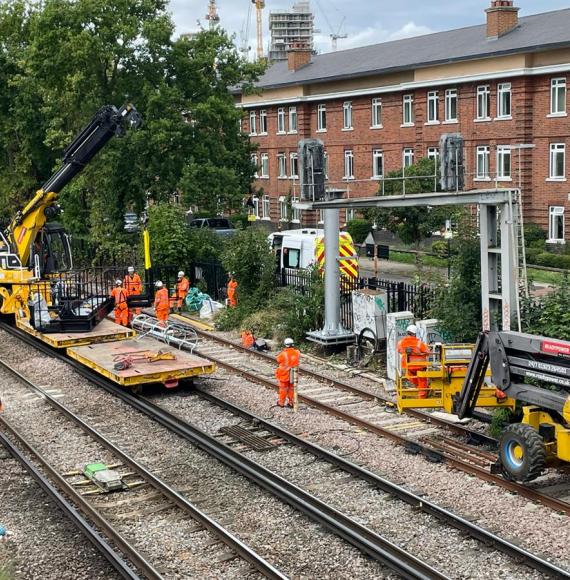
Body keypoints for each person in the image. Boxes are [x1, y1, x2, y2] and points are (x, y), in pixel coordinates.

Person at [397, 324, 431, 398]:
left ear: (407, 332)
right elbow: (428, 352)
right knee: (422, 382)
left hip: (408, 367)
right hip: (420, 367)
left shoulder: (401, 343)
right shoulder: (419, 343)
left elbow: (399, 350)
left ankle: (423, 390)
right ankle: (422, 398)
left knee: (413, 379)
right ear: (415, 334)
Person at [275, 337, 300, 408]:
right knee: (292, 389)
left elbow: (278, 360)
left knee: (283, 389)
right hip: (293, 374)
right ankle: (291, 403)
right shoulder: (297, 352)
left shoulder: (283, 354)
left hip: (284, 375)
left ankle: (281, 403)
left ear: (285, 345)